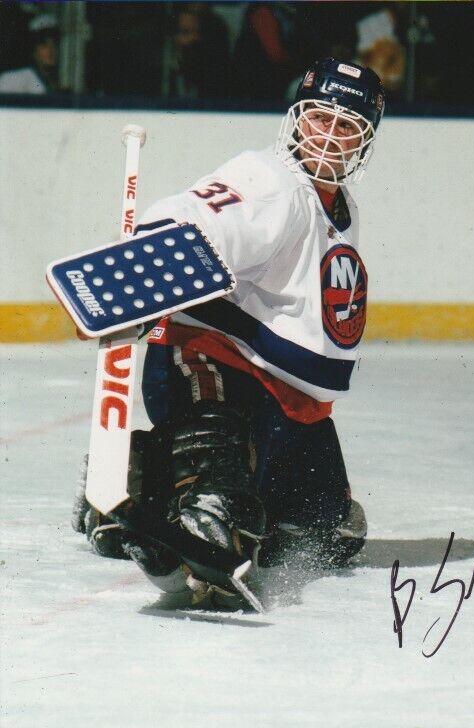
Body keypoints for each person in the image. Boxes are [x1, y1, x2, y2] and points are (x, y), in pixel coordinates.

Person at [72, 58, 385, 609]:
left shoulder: (339, 206)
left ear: (366, 139)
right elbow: (201, 215)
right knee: (221, 486)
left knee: (325, 529)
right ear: (297, 118)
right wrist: (145, 269)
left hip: (288, 397)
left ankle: (135, 472)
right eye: (318, 119)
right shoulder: (272, 181)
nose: (328, 137)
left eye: (347, 127)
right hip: (211, 358)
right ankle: (198, 504)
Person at [165, 3, 230, 99]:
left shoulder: (213, 74)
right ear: (173, 37)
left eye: (198, 32)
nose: (195, 38)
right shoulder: (162, 72)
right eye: (186, 33)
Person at [0, 13, 60, 94]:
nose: (51, 50)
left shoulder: (52, 83)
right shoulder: (14, 80)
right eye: (43, 44)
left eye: (54, 43)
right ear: (33, 49)